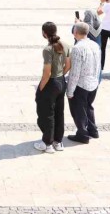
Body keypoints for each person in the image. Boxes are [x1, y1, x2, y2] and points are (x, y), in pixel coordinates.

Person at [34, 22, 70, 153]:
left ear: (44, 33)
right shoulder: (65, 45)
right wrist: (61, 75)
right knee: (59, 112)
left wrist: (40, 88)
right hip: (61, 82)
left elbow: (47, 72)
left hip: (51, 83)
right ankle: (58, 141)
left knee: (46, 113)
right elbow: (68, 65)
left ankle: (47, 143)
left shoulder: (48, 49)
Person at [66, 22, 101, 144]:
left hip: (81, 85)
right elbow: (98, 65)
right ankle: (93, 130)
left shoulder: (77, 48)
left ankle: (82, 134)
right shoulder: (95, 45)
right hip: (93, 83)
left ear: (75, 33)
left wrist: (70, 91)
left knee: (79, 110)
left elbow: (75, 72)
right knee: (89, 107)